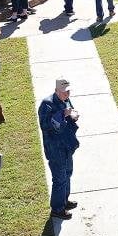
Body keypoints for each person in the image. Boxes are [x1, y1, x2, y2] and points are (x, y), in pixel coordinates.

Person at [38, 78, 80, 220]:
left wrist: (73, 115)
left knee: (68, 174)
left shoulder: (65, 100)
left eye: (68, 91)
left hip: (66, 145)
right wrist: (63, 114)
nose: (67, 94)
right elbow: (46, 125)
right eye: (64, 92)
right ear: (56, 91)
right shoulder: (47, 104)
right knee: (60, 178)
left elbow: (70, 112)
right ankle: (57, 209)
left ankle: (64, 201)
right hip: (55, 148)